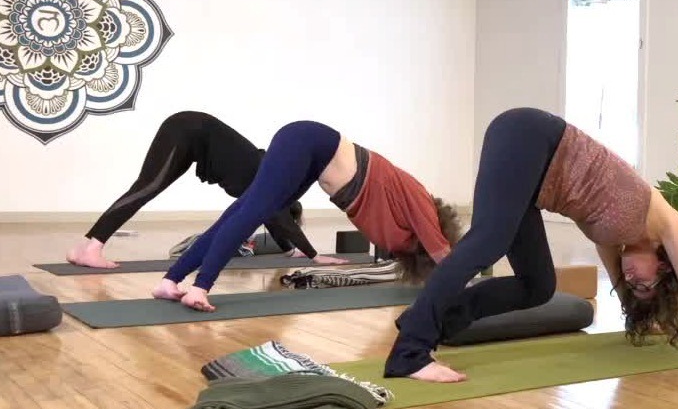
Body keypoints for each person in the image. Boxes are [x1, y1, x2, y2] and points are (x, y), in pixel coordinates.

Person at [383, 107, 678, 383]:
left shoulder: (615, 244)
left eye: (634, 287)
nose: (631, 280)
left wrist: (642, 315)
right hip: (530, 136)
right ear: (663, 265)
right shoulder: (669, 225)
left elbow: (621, 286)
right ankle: (409, 353)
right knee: (488, 241)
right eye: (644, 283)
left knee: (538, 286)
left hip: (533, 178)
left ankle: (432, 320)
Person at [154, 119, 462, 312]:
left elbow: (401, 260)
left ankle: (171, 280)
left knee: (241, 212)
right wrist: (460, 278)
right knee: (250, 214)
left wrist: (313, 255)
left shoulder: (401, 234)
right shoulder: (422, 204)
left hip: (314, 160)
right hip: (310, 142)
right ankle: (200, 288)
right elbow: (438, 247)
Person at [66, 111, 320, 269]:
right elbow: (279, 219)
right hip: (188, 128)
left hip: (190, 135)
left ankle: (85, 247)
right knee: (146, 187)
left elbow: (276, 221)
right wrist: (311, 254)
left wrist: (291, 250)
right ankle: (93, 248)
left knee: (145, 187)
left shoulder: (266, 178)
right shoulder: (270, 184)